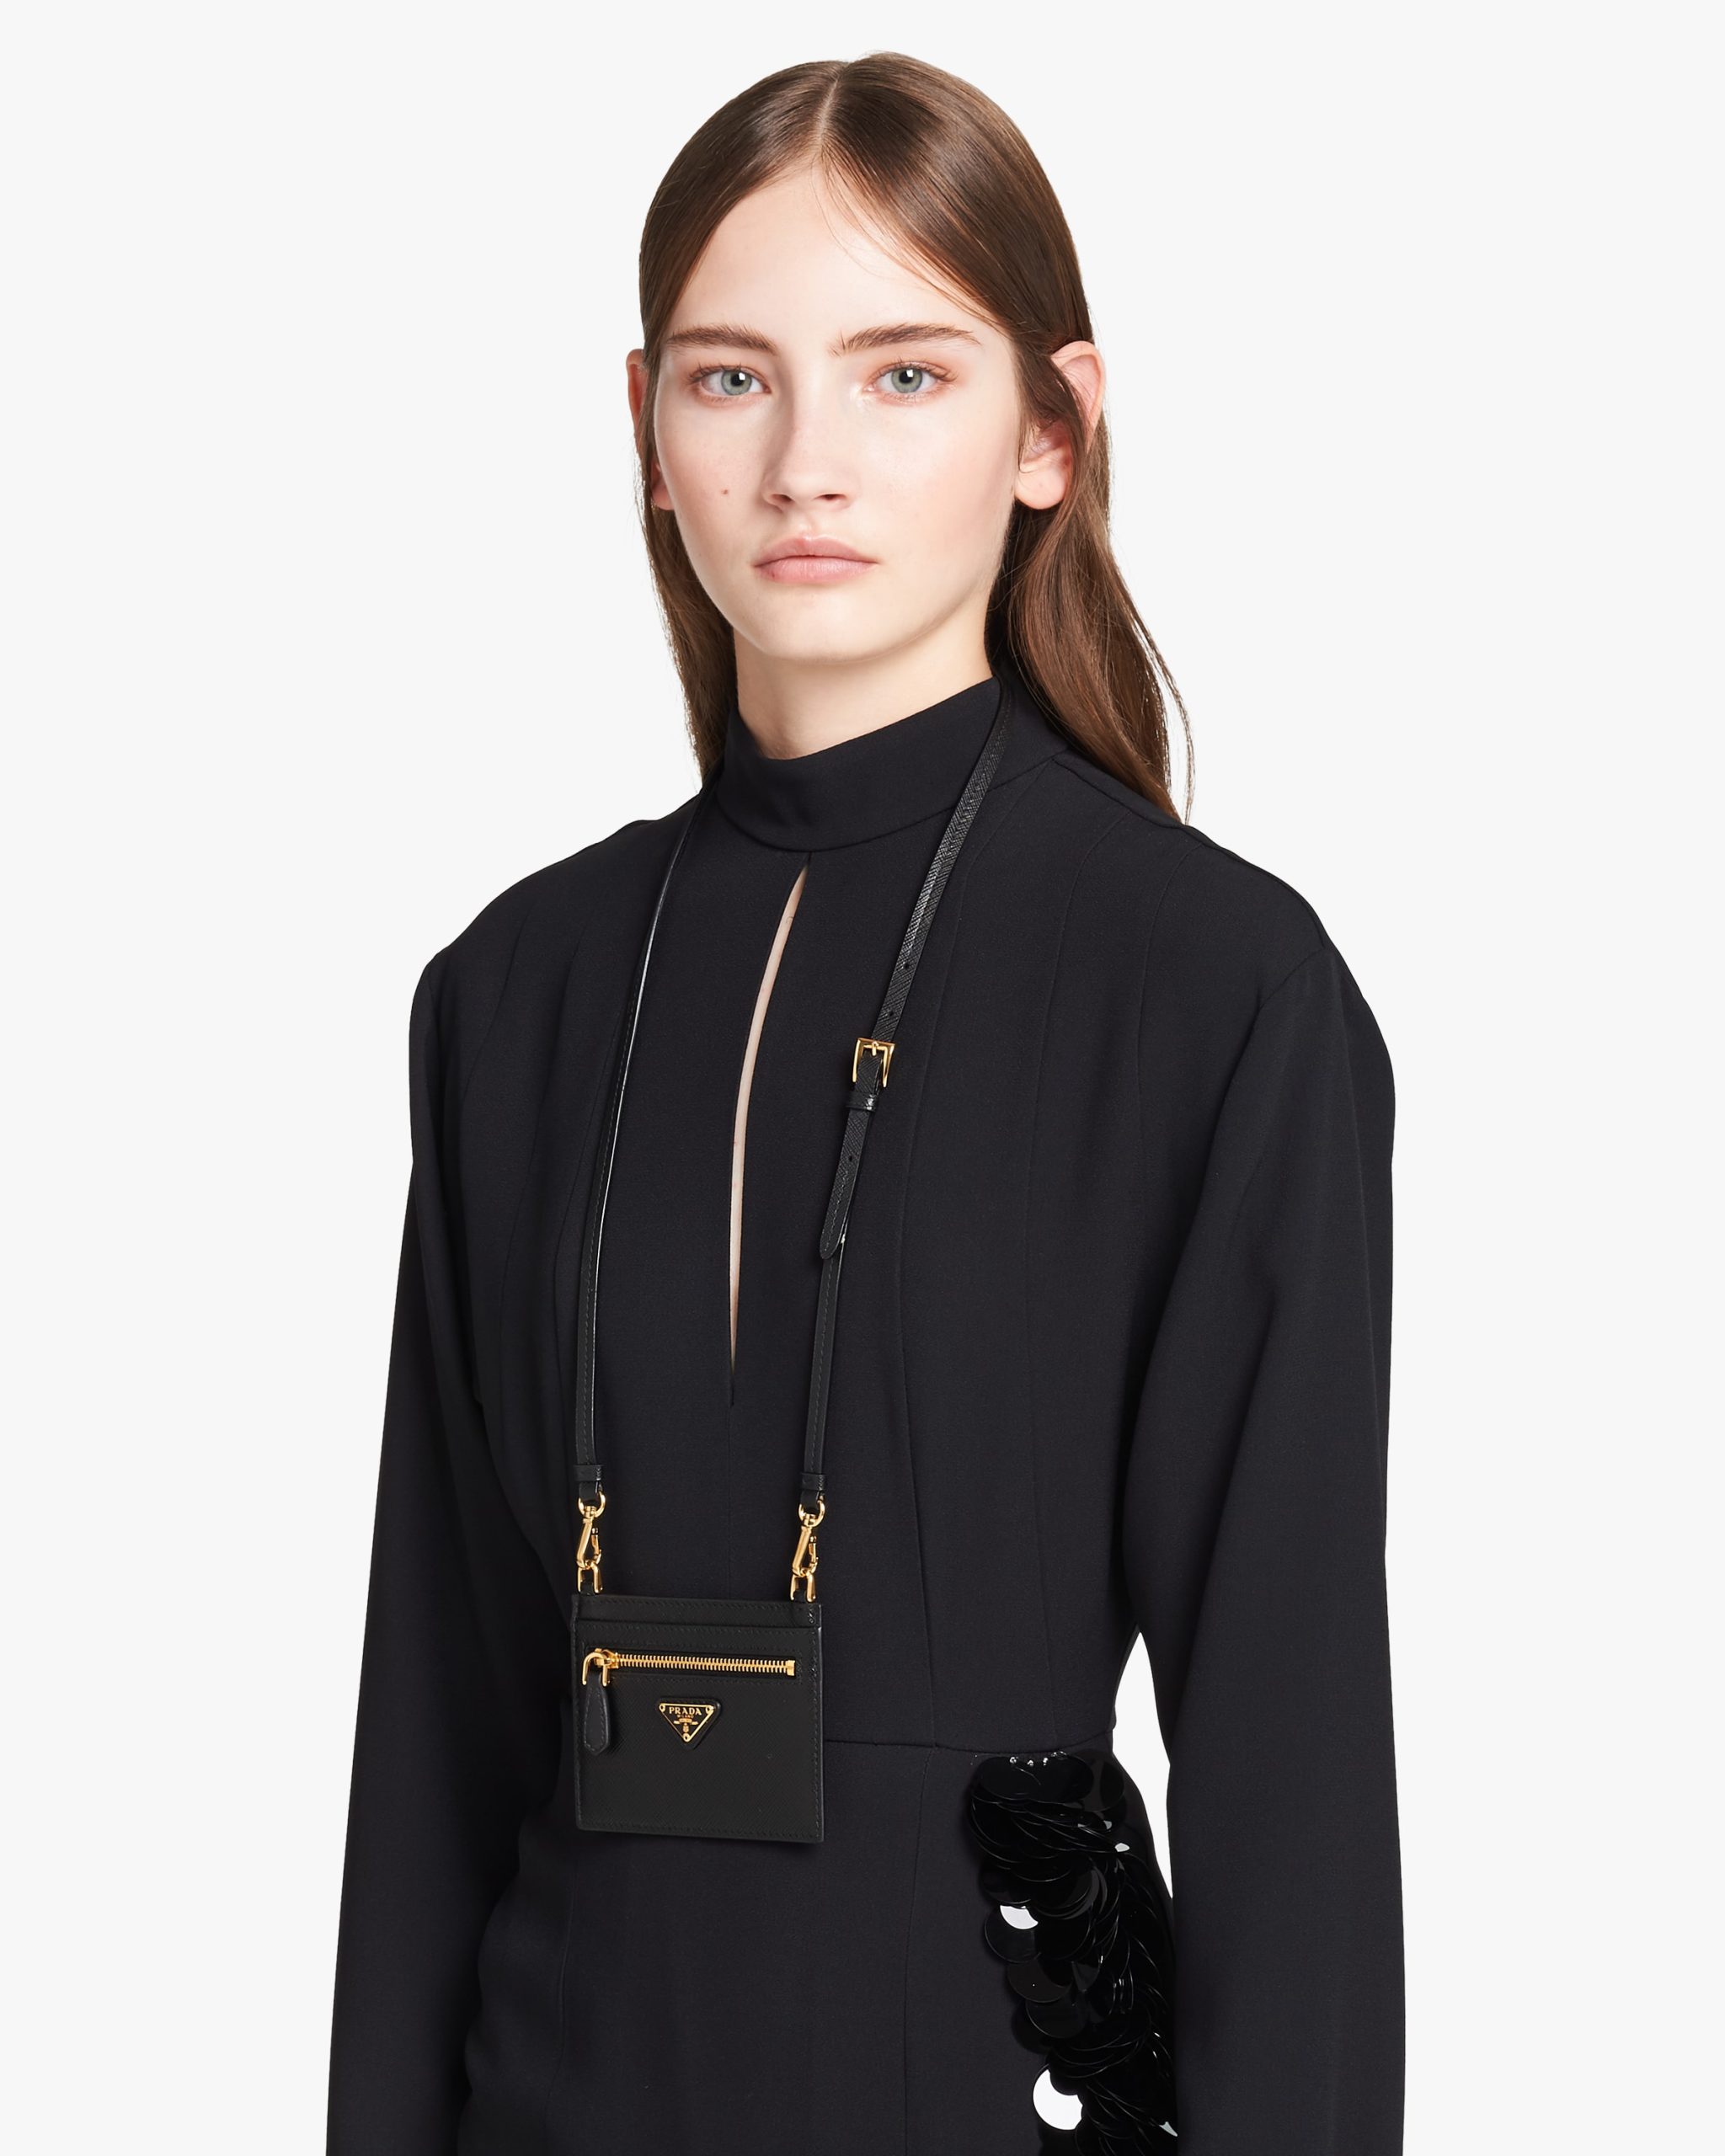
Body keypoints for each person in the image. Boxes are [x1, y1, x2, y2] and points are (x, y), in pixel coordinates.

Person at [326, 51, 1403, 2156]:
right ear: (646, 430)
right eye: (732, 379)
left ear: (1051, 431)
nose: (805, 461)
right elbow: (433, 1742)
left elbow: (1290, 1782)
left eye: (903, 374)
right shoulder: (512, 991)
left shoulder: (1215, 992)